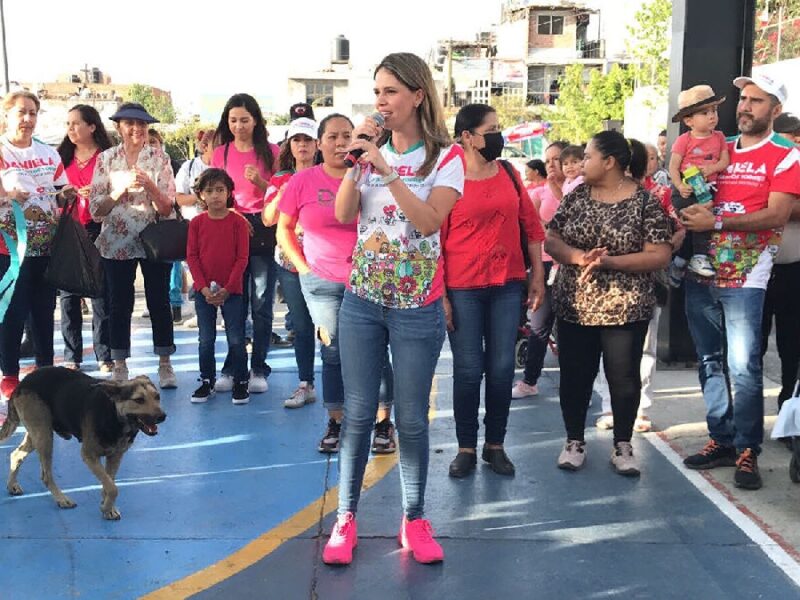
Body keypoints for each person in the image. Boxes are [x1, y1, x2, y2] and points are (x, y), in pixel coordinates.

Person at [324, 52, 464, 566]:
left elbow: (428, 222)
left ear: (417, 96)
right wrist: (356, 164)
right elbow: (343, 215)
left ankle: (414, 517)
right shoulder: (369, 154)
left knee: (410, 418)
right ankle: (345, 518)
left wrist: (387, 171)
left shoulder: (445, 157)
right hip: (362, 301)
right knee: (358, 414)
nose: (380, 102)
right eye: (376, 91)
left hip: (416, 306)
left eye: (390, 92)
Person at [680, 74, 800, 490]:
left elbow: (777, 215)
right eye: (743, 100)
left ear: (775, 110)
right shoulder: (718, 146)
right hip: (700, 269)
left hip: (747, 274)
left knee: (743, 367)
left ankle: (748, 447)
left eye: (756, 101)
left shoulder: (786, 154)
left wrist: (715, 220)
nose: (744, 107)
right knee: (710, 361)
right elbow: (687, 184)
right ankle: (722, 439)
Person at [545, 131, 672, 477]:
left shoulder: (645, 202)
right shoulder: (577, 197)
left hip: (626, 307)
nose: (581, 163)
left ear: (610, 162)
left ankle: (623, 445)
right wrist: (578, 256)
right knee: (575, 376)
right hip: (576, 304)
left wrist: (610, 262)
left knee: (624, 377)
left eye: (587, 157)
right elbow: (552, 237)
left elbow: (660, 253)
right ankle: (574, 441)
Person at [277, 114, 396, 452]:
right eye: (332, 136)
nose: (340, 143)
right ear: (318, 143)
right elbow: (283, 228)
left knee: (376, 350)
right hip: (322, 282)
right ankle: (336, 421)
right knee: (333, 352)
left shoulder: (371, 175)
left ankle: (383, 423)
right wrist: (303, 269)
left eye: (348, 135)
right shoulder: (302, 182)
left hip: (370, 279)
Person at [442, 103, 545, 478]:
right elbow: (434, 239)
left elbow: (531, 225)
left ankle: (495, 445)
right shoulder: (448, 177)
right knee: (469, 370)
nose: (498, 136)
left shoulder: (508, 172)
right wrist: (442, 296)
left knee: (501, 369)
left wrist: (536, 276)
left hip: (507, 283)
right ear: (467, 137)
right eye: (491, 129)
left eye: (499, 127)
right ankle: (466, 446)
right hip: (463, 286)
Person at [594, 143, 685, 433]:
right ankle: (609, 406)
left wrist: (660, 252)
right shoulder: (596, 194)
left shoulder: (659, 195)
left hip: (647, 284)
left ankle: (640, 409)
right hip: (603, 286)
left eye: (651, 158)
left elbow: (678, 229)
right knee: (605, 348)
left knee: (645, 348)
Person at [88, 102, 178, 387]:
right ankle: (119, 364)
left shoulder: (160, 158)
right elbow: (95, 210)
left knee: (159, 302)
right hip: (116, 241)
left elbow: (167, 208)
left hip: (154, 240)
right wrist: (119, 190)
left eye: (142, 124)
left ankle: (165, 362)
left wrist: (149, 186)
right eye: (130, 124)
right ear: (119, 127)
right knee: (119, 304)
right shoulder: (105, 159)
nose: (136, 129)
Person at [0, 90, 76, 404]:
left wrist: (67, 194)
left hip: (46, 247)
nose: (28, 119)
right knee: (11, 314)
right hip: (9, 250)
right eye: (22, 112)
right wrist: (6, 196)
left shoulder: (49, 153)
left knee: (44, 313)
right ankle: (9, 377)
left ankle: (45, 373)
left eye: (33, 113)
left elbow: (59, 191)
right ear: (6, 115)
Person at [211, 93, 281, 396]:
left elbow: (283, 192)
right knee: (234, 303)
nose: (239, 125)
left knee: (262, 303)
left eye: (245, 120)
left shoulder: (272, 151)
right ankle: (232, 365)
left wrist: (262, 185)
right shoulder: (220, 153)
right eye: (233, 120)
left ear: (255, 121)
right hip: (232, 225)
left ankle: (259, 366)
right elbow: (214, 192)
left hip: (263, 226)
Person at [263, 117, 319, 408]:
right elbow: (268, 217)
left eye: (307, 140)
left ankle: (346, 386)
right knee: (301, 324)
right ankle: (305, 382)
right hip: (290, 263)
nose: (302, 145)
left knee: (336, 327)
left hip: (327, 262)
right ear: (289, 144)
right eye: (297, 140)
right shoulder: (280, 179)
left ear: (317, 143)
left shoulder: (329, 173)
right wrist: (285, 193)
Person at [56, 104, 113, 373]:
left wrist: (99, 195)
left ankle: (104, 354)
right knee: (68, 295)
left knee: (100, 294)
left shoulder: (106, 157)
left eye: (76, 123)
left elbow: (116, 189)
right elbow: (49, 192)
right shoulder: (59, 157)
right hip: (68, 229)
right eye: (68, 124)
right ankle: (72, 355)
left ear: (92, 126)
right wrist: (64, 193)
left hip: (97, 228)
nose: (71, 129)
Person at [186, 168, 250, 404]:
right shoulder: (196, 223)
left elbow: (242, 258)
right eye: (209, 190)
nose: (215, 195)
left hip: (232, 292)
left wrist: (229, 288)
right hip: (204, 293)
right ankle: (206, 381)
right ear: (201, 195)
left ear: (229, 192)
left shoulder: (238, 223)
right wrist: (202, 288)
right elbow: (192, 257)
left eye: (220, 190)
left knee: (236, 338)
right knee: (206, 339)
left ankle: (241, 381)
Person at [512, 140, 568, 399]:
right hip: (546, 264)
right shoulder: (538, 194)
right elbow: (530, 232)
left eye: (558, 159)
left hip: (571, 264)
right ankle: (529, 380)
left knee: (571, 329)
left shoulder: (578, 190)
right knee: (538, 324)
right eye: (548, 161)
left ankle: (577, 385)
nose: (553, 165)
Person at [668, 85, 730, 280]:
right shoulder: (683, 140)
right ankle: (699, 257)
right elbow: (673, 168)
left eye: (714, 111)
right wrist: (680, 186)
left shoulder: (719, 137)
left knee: (697, 227)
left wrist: (711, 169)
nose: (712, 116)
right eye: (705, 112)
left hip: (708, 189)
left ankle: (681, 261)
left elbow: (724, 161)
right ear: (689, 120)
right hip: (686, 191)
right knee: (698, 222)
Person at [762, 112, 800, 418]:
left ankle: (789, 415)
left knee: (793, 349)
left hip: (793, 268)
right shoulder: (760, 163)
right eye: (792, 137)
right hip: (754, 269)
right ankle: (740, 422)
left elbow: (781, 209)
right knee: (747, 351)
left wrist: (777, 203)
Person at [174, 128, 215, 329]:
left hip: (221, 228)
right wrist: (201, 198)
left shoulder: (228, 166)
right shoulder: (189, 167)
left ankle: (225, 312)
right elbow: (178, 197)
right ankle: (203, 313)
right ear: (205, 147)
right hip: (194, 227)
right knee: (197, 272)